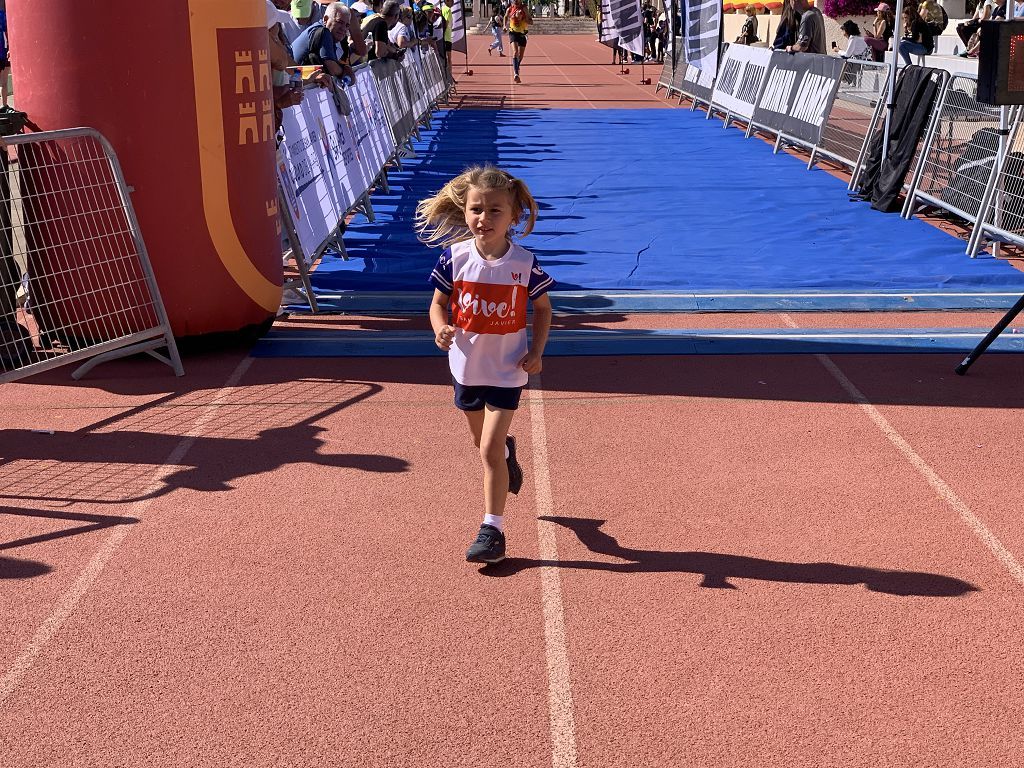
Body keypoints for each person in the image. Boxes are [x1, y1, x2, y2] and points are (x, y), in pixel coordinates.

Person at [417, 166, 554, 565]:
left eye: (496, 211)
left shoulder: (524, 264)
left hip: (508, 370)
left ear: (513, 216)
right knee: (484, 447)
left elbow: (543, 309)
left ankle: (491, 530)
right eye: (477, 209)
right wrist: (440, 328)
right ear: (465, 212)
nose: (484, 218)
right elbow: (437, 304)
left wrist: (537, 350)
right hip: (466, 369)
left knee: (488, 450)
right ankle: (507, 457)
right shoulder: (454, 258)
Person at [291, 1, 359, 81]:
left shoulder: (321, 31)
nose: (343, 28)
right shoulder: (324, 32)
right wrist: (346, 71)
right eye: (339, 22)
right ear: (326, 19)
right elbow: (332, 68)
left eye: (347, 25)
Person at [504, 0, 533, 84]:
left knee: (520, 56)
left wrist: (522, 18)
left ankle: (517, 66)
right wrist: (504, 26)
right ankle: (516, 73)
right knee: (515, 52)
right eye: (514, 0)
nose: (516, 2)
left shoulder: (524, 9)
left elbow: (531, 21)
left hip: (523, 34)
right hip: (513, 33)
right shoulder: (510, 9)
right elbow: (506, 17)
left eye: (517, 0)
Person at [0, 5, 10, 112]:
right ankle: (4, 105)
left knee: (4, 81)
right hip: (4, 49)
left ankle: (4, 105)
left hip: (3, 50)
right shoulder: (5, 16)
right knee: (4, 81)